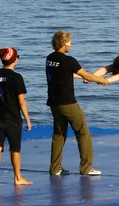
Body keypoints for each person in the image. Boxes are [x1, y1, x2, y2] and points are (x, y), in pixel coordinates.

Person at [46, 30, 108, 176]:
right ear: (63, 44)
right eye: (69, 43)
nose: (71, 45)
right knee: (83, 133)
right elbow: (85, 74)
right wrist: (102, 80)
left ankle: (55, 168)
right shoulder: (69, 60)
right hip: (68, 103)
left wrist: (83, 76)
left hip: (54, 103)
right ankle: (86, 167)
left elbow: (67, 73)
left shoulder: (50, 59)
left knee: (58, 135)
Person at [0, 47, 33, 187]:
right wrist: (27, 119)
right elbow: (21, 101)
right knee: (15, 149)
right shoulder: (16, 77)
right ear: (14, 60)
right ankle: (17, 177)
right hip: (13, 118)